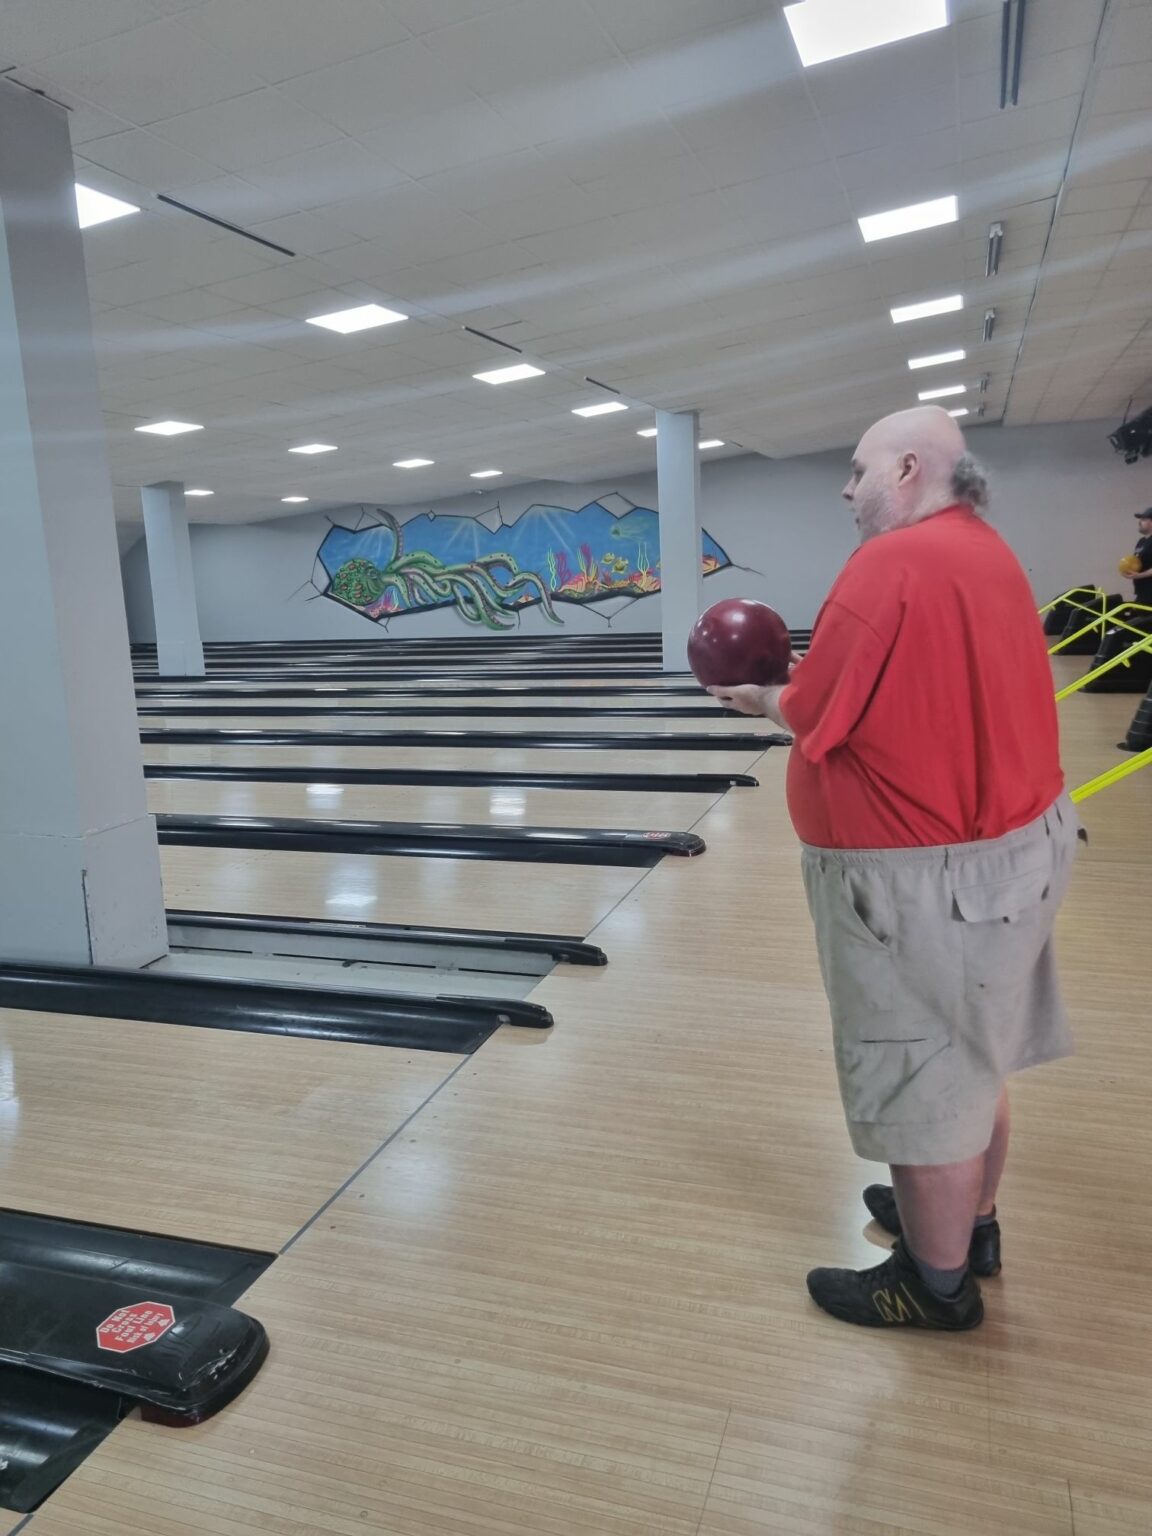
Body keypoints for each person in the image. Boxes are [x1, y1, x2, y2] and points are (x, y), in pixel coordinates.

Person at [711, 406, 1081, 1331]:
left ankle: (934, 1285)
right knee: (970, 1063)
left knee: (925, 1092)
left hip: (925, 885)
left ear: (909, 469)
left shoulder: (891, 563)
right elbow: (886, 688)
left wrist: (765, 696)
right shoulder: (983, 550)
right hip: (1007, 858)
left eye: (857, 469)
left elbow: (811, 714)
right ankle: (970, 1227)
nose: (846, 489)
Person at [1129, 507, 1152, 597]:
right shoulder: (1141, 541)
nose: (1139, 522)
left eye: (1143, 519)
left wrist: (1139, 575)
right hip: (1142, 592)